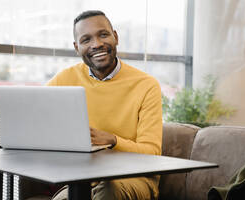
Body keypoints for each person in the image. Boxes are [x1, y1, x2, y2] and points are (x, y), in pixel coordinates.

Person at [47, 10, 162, 200]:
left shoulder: (146, 85)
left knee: (109, 189)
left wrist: (113, 140)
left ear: (115, 37)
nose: (97, 44)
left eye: (103, 34)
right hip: (83, 178)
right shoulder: (64, 79)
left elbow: (152, 153)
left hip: (135, 177)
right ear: (77, 47)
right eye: (86, 40)